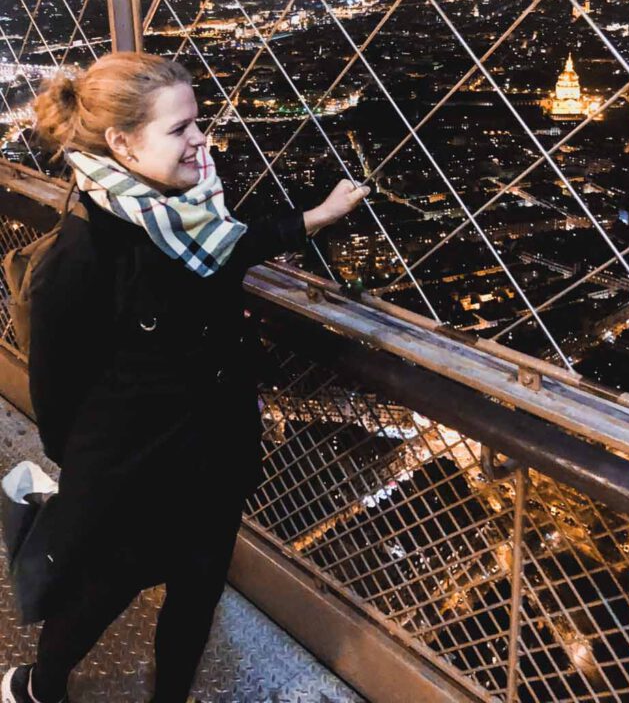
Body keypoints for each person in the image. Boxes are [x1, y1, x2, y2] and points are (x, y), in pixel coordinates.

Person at [1, 51, 368, 703]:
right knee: (102, 592)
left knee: (196, 593)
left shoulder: (188, 215)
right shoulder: (84, 251)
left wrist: (312, 219)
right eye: (180, 128)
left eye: (197, 121)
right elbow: (56, 390)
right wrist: (91, 471)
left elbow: (233, 247)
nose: (202, 138)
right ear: (122, 142)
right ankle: (40, 686)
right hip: (136, 471)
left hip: (213, 451)